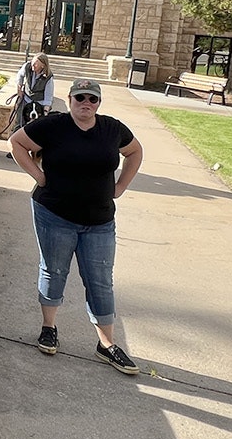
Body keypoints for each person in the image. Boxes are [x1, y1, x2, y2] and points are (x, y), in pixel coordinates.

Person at [8, 78, 144, 373]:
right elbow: (17, 142)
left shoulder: (112, 129)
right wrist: (39, 177)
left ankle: (106, 345)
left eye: (92, 99)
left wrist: (120, 186)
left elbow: (135, 152)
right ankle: (49, 327)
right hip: (54, 214)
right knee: (54, 270)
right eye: (80, 97)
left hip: (100, 220)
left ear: (98, 103)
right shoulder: (53, 126)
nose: (86, 103)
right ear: (69, 99)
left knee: (100, 280)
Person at [13, 52, 56, 132]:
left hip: (39, 103)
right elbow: (20, 75)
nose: (32, 65)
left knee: (38, 127)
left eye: (35, 64)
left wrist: (46, 111)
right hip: (26, 99)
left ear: (43, 65)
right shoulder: (27, 66)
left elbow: (48, 96)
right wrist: (19, 88)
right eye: (32, 62)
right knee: (19, 122)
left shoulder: (48, 77)